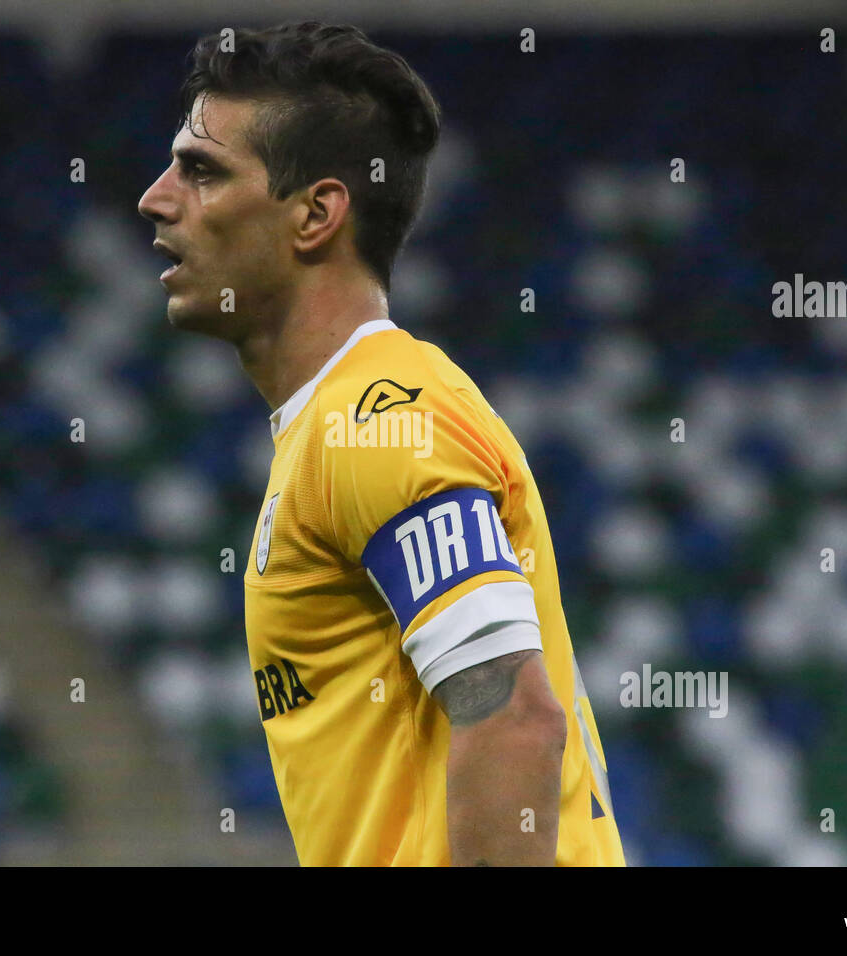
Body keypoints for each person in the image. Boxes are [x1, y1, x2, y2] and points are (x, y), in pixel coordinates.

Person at [138, 20, 624, 867]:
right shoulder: (342, 421)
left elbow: (513, 715)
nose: (157, 196)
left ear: (317, 214)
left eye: (203, 171)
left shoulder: (380, 419)